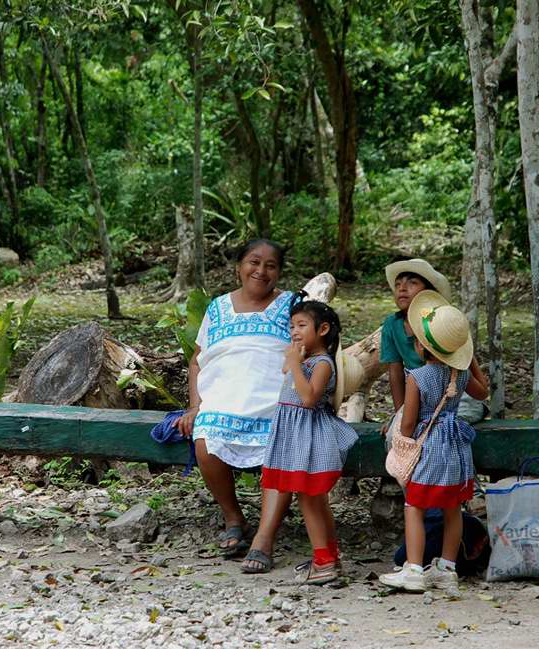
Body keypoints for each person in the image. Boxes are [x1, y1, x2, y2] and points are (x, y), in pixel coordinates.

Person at [176, 239, 294, 557]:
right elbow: (197, 360)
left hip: (276, 398)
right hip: (224, 398)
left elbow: (313, 350)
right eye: (253, 262)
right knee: (206, 438)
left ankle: (265, 539)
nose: (261, 270)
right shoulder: (217, 307)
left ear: (279, 272)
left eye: (271, 265)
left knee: (285, 441)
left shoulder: (292, 304)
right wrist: (195, 406)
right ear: (238, 267)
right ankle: (234, 518)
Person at [380, 290, 489, 594]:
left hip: (428, 450)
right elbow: (483, 393)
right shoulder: (461, 374)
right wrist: (468, 358)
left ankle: (413, 569)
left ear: (420, 345)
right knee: (453, 507)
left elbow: (410, 421)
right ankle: (447, 569)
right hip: (455, 448)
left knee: (414, 505)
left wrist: (403, 438)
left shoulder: (417, 376)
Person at [253, 294, 359, 584]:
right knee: (315, 500)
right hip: (297, 437)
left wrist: (295, 364)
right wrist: (295, 361)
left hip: (311, 438)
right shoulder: (306, 359)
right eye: (291, 327)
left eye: (301, 325)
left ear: (322, 330)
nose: (294, 332)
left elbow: (309, 398)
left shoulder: (322, 363)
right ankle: (330, 558)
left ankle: (323, 562)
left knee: (309, 500)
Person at [380, 259, 485, 442]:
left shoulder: (441, 322)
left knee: (453, 424)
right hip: (420, 396)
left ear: (428, 292)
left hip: (456, 396)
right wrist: (399, 414)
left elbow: (479, 391)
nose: (402, 288)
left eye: (412, 282)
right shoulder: (392, 324)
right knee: (396, 434)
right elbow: (395, 373)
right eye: (398, 284)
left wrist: (467, 354)